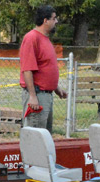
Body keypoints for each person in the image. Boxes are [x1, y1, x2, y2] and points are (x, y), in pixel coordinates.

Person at [19, 5, 66, 133]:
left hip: (46, 95)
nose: (56, 21)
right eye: (54, 18)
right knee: (36, 137)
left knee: (45, 137)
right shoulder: (31, 38)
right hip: (38, 96)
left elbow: (45, 67)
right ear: (45, 20)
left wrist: (56, 88)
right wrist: (33, 96)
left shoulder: (45, 39)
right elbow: (27, 69)